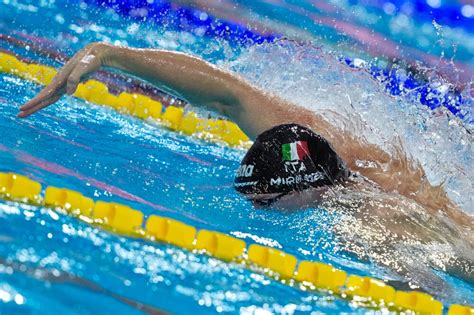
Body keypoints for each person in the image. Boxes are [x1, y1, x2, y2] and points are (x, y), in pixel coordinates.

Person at [18, 42, 473, 287]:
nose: (262, 210)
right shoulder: (327, 143)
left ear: (304, 190)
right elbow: (226, 93)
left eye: (267, 203)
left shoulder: (359, 225)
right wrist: (108, 56)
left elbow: (434, 291)